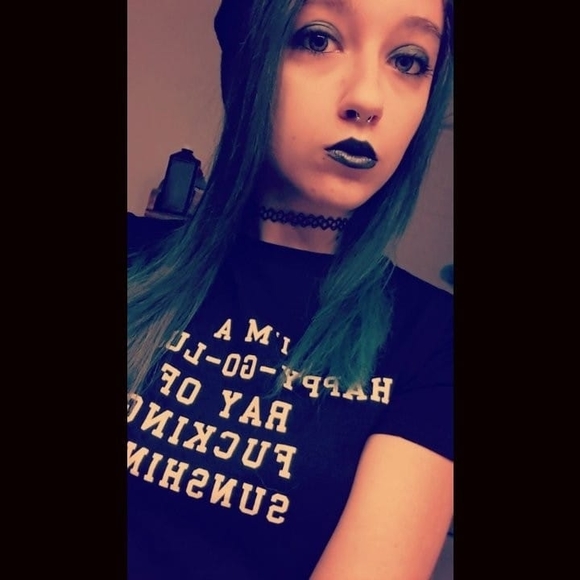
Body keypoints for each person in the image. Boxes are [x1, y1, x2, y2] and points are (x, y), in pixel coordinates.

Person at [127, 0, 454, 578]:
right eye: (318, 39)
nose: (368, 99)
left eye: (408, 61)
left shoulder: (436, 342)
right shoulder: (135, 258)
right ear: (248, 60)